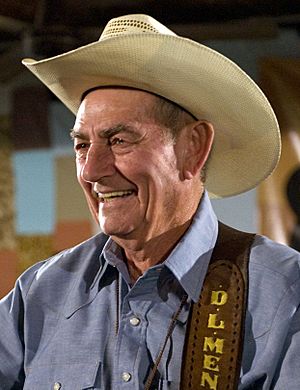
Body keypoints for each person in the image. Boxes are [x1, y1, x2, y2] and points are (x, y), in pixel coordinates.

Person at [0, 13, 299, 390]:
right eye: (81, 145)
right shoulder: (38, 294)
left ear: (193, 149)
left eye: (119, 140)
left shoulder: (287, 292)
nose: (91, 171)